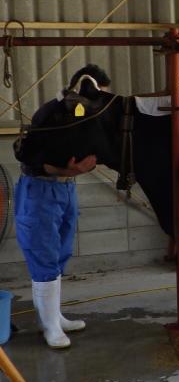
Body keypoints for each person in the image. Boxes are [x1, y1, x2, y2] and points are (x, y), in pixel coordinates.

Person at [14, 64, 111, 349]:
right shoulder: (50, 114)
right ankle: (49, 327)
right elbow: (29, 157)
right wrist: (71, 170)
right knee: (43, 254)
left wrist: (73, 173)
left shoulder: (82, 118)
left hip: (65, 189)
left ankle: (54, 315)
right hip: (40, 189)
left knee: (60, 253)